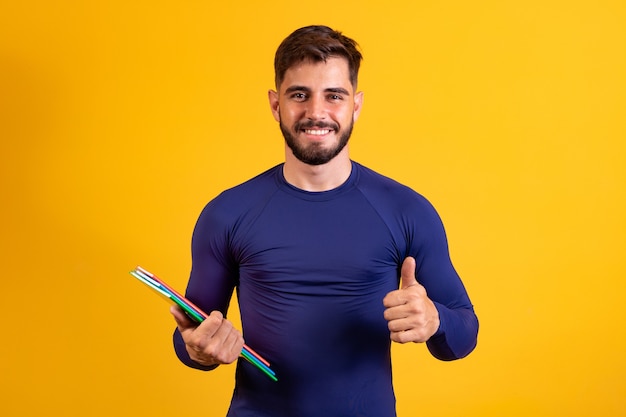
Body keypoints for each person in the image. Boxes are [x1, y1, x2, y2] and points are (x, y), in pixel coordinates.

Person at [170, 25, 478, 417]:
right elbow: (192, 337)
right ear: (275, 104)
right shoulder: (227, 213)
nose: (316, 112)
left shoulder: (406, 210)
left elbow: (464, 336)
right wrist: (198, 348)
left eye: (334, 96)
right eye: (299, 95)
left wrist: (435, 320)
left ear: (356, 105)